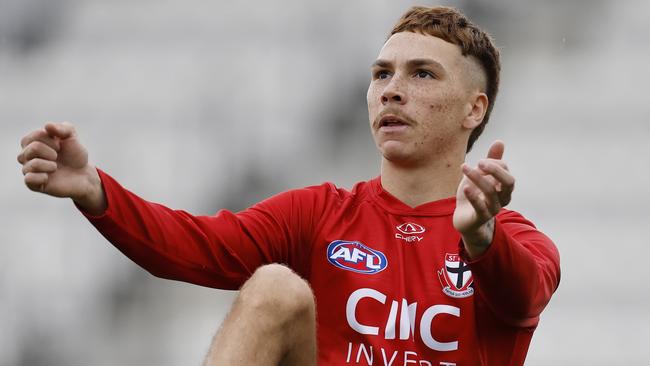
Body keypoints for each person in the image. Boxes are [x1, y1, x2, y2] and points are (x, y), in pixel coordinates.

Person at [16, 5, 560, 366]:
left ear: (475, 108)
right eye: (380, 74)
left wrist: (482, 240)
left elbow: (523, 295)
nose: (392, 90)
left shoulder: (518, 242)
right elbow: (192, 246)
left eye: (422, 74)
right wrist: (94, 188)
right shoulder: (320, 212)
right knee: (276, 289)